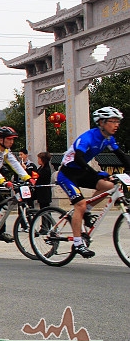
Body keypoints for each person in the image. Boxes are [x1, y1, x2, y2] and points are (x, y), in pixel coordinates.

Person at [56, 106, 130, 258]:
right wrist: (96, 173)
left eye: (118, 121)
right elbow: (78, 158)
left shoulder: (108, 139)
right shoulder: (88, 137)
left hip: (82, 171)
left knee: (109, 186)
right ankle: (78, 244)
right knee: (80, 204)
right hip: (68, 173)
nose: (116, 125)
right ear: (102, 122)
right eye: (113, 121)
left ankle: (87, 211)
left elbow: (121, 156)